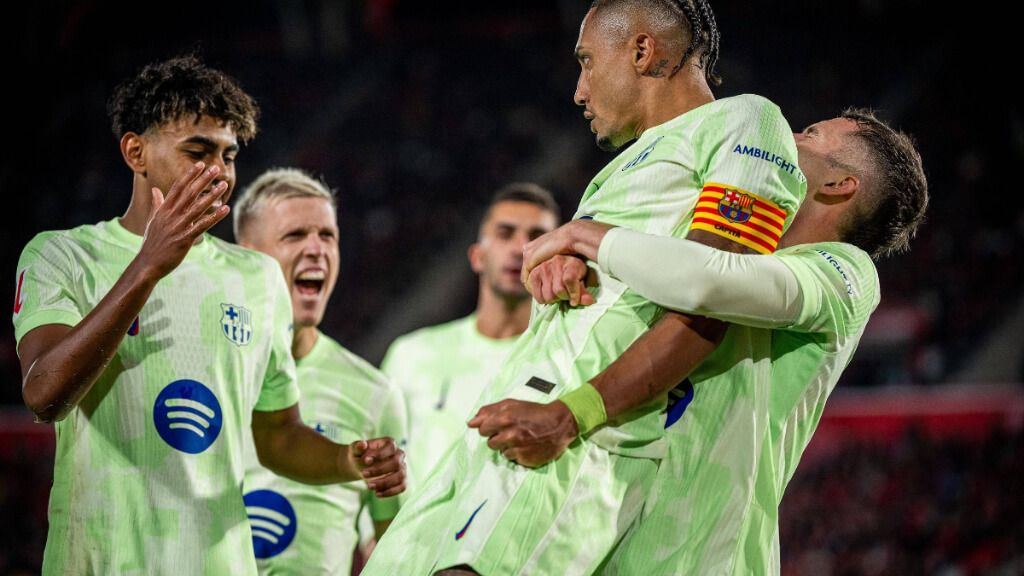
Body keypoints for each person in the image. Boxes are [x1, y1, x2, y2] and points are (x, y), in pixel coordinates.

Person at [362, 0, 805, 573]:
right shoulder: (623, 169)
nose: (577, 89)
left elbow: (712, 295)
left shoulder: (746, 121)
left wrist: (572, 414)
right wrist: (567, 264)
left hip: (574, 440)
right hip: (515, 415)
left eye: (587, 62)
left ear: (643, 51)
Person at [12, 56, 404, 575]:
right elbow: (44, 395)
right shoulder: (62, 256)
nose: (218, 172)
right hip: (99, 561)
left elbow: (278, 436)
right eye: (197, 152)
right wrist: (149, 264)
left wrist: (346, 461)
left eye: (228, 155)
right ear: (136, 152)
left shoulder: (257, 278)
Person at [494, 108, 929, 574]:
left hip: (708, 553)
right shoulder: (719, 242)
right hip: (611, 529)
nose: (793, 135)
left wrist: (584, 235)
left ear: (840, 184)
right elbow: (674, 273)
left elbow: (713, 283)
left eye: (812, 134)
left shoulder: (846, 273)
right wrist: (579, 272)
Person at [233, 168, 410, 574]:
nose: (317, 249)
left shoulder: (374, 392)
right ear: (247, 257)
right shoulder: (207, 368)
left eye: (327, 236)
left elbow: (395, 545)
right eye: (295, 235)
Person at [380, 183, 560, 488]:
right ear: (477, 256)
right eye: (505, 234)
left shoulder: (562, 356)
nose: (520, 248)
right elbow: (376, 452)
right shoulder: (411, 353)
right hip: (414, 535)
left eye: (536, 237)